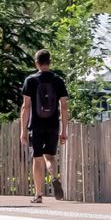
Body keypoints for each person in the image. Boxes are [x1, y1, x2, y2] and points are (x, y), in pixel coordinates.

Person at [18, 50, 70, 204]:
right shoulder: (58, 80)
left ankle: (38, 194)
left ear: (36, 63)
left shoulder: (30, 80)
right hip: (53, 125)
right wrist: (64, 130)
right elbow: (64, 107)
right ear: (50, 62)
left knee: (37, 158)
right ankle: (54, 176)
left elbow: (25, 107)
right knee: (50, 157)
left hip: (36, 125)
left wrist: (23, 130)